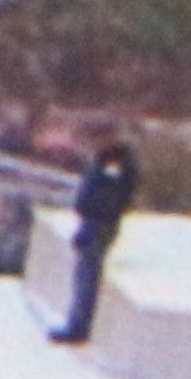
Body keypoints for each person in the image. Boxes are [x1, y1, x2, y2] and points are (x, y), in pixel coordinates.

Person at [59, 139, 141, 348]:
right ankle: (77, 324)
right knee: (84, 276)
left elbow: (106, 197)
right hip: (94, 224)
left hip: (97, 226)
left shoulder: (112, 170)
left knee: (87, 278)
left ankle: (79, 327)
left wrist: (93, 212)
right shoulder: (108, 168)